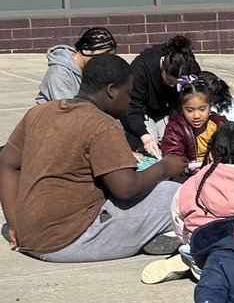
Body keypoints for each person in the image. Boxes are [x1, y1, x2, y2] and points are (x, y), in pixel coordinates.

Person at [0, 54, 187, 263]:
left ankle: (155, 234)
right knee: (174, 193)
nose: (129, 102)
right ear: (111, 90)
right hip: (70, 240)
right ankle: (166, 235)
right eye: (128, 94)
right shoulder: (102, 124)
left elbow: (7, 164)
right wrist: (164, 168)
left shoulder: (38, 113)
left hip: (29, 237)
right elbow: (125, 189)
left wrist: (15, 224)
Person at [141, 123, 234, 285]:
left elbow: (177, 219)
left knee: (198, 241)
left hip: (200, 250)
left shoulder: (193, 182)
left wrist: (188, 240)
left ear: (210, 155)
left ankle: (191, 256)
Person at [124, 34, 199, 156]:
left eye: (178, 83)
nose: (172, 86)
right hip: (143, 111)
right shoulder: (141, 68)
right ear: (162, 62)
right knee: (150, 147)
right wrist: (146, 137)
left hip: (168, 110)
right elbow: (132, 108)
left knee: (173, 142)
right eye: (169, 80)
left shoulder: (191, 69)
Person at [35, 27, 118, 104]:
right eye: (101, 57)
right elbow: (70, 110)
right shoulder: (59, 74)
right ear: (86, 49)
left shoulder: (91, 69)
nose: (105, 63)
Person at [159, 75, 226, 165]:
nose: (196, 116)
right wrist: (186, 168)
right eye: (190, 110)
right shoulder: (175, 128)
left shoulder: (220, 125)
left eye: (202, 109)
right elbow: (172, 157)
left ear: (210, 108)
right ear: (181, 110)